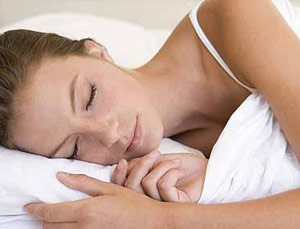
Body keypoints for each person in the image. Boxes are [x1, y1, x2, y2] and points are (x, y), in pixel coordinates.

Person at [1, 0, 300, 228]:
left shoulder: (235, 14)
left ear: (97, 52)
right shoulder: (166, 172)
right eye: (74, 147)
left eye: (91, 97)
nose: (109, 134)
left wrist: (161, 219)